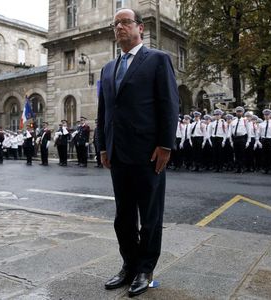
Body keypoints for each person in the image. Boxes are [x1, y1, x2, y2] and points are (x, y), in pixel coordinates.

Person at [97, 8, 179, 297]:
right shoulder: (108, 68)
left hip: (148, 153)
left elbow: (169, 104)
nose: (120, 27)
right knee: (123, 217)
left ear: (140, 28)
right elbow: (104, 111)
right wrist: (103, 146)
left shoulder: (157, 60)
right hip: (118, 153)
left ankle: (145, 269)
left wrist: (166, 144)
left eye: (126, 22)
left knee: (151, 215)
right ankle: (129, 265)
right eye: (116, 23)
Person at [228, 107, 251, 173]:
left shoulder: (245, 121)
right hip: (235, 138)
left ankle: (241, 168)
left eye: (240, 112)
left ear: (242, 113)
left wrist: (248, 141)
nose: (239, 113)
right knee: (236, 154)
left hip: (242, 138)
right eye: (237, 112)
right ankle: (237, 168)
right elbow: (230, 132)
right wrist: (231, 141)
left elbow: (248, 131)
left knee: (242, 154)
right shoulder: (233, 121)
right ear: (236, 112)